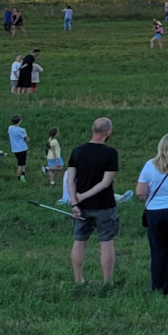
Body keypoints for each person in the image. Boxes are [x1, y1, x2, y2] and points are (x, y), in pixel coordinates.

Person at [68, 117, 121, 286]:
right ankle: (107, 281)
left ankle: (78, 279)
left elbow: (70, 180)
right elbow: (105, 183)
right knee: (106, 242)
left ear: (93, 130)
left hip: (81, 207)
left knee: (79, 242)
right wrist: (82, 197)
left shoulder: (77, 151)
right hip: (104, 206)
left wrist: (75, 203)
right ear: (108, 132)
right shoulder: (110, 153)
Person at [136, 132, 168, 295]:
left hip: (155, 213)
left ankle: (159, 286)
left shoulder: (149, 165)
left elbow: (140, 192)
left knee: (158, 251)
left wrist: (149, 199)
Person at [5, 113, 29, 180]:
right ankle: (19, 177)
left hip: (15, 148)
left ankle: (23, 174)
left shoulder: (10, 127)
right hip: (22, 148)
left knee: (22, 162)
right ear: (20, 121)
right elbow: (27, 139)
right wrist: (25, 132)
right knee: (21, 164)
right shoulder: (21, 130)